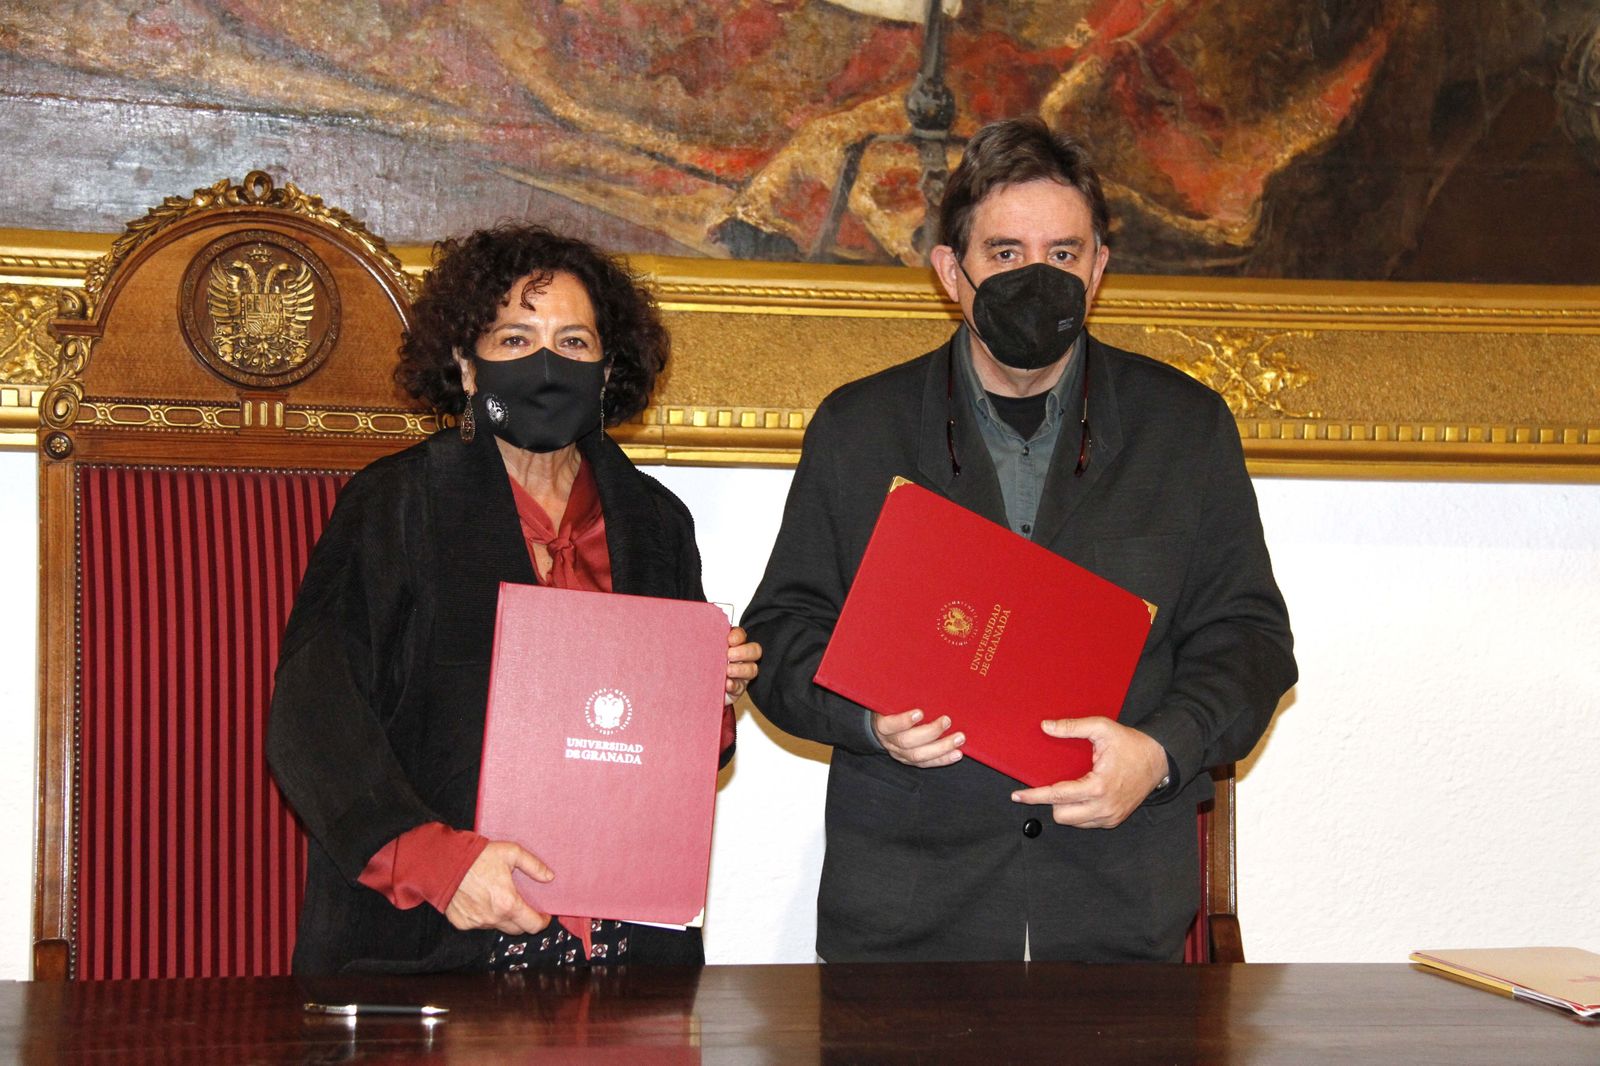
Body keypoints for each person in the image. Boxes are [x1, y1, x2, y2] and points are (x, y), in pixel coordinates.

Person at [742, 117, 1296, 963]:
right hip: (907, 926)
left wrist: (1159, 751)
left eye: (1063, 254)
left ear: (1099, 268)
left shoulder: (1184, 430)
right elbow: (781, 635)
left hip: (1119, 924)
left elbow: (1251, 643)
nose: (1036, 276)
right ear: (950, 274)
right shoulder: (860, 430)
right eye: (1005, 253)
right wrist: (867, 718)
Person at [267, 224, 760, 975]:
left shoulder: (657, 523)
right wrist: (438, 865)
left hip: (629, 950)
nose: (545, 364)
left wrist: (709, 695)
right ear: (467, 368)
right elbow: (312, 716)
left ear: (606, 370)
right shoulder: (396, 504)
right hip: (430, 946)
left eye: (572, 342)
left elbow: (677, 758)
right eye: (513, 340)